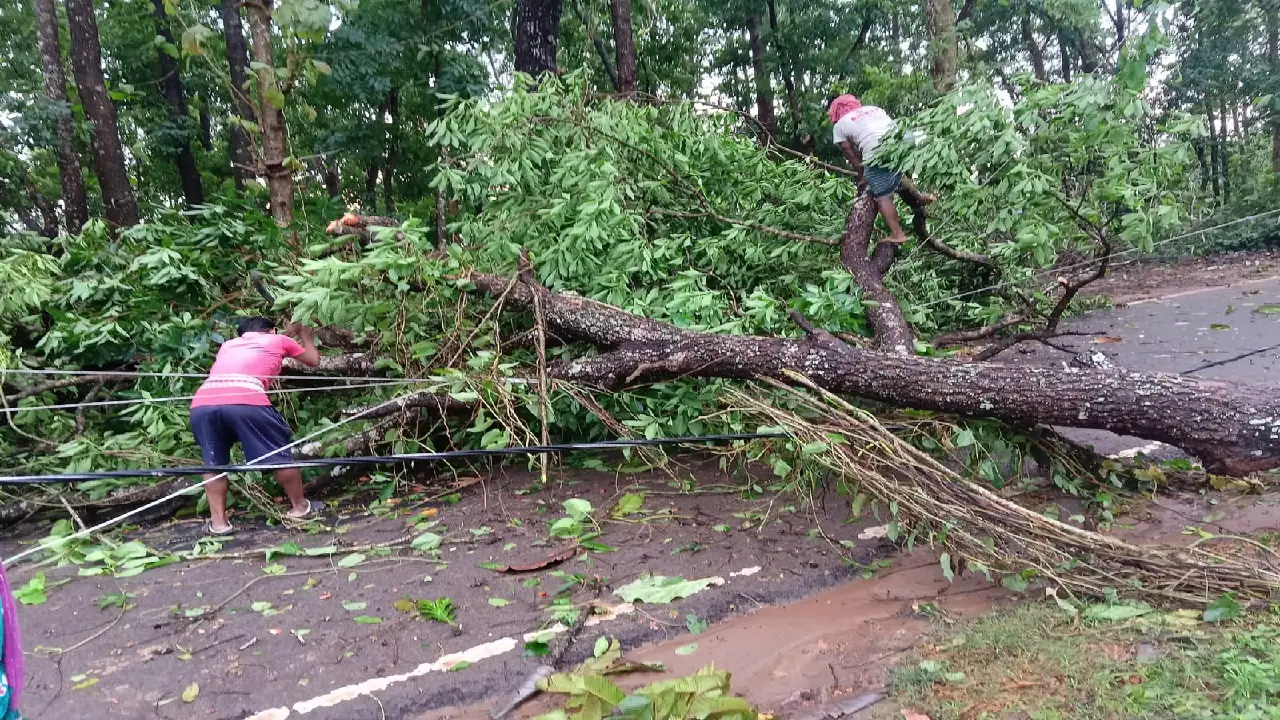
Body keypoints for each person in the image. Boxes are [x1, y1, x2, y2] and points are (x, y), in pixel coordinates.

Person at [190, 317, 322, 534]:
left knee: (213, 463)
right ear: (271, 331)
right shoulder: (277, 339)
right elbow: (313, 360)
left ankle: (219, 524)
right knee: (278, 455)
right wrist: (306, 335)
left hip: (203, 403)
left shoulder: (228, 345)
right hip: (246, 400)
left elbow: (269, 343)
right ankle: (300, 508)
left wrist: (288, 332)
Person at [828, 93, 933, 244]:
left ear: (835, 112)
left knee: (882, 194)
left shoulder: (839, 126)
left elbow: (848, 151)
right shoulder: (873, 109)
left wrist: (863, 174)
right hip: (906, 138)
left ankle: (897, 234)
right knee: (896, 173)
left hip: (878, 148)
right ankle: (919, 196)